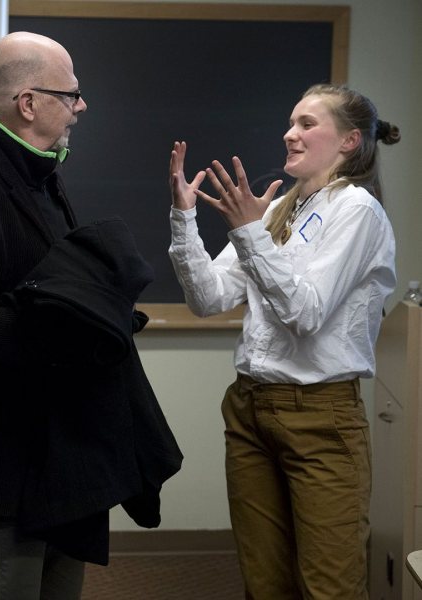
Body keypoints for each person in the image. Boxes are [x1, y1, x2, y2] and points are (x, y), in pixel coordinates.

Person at [0, 31, 182, 599]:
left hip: (65, 451)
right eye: (71, 94)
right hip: (5, 458)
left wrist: (99, 312)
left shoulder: (44, 179)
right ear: (28, 103)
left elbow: (60, 289)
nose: (81, 107)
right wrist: (76, 328)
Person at [168, 83, 400, 599]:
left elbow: (306, 313)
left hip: (320, 416)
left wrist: (249, 233)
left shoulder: (357, 211)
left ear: (349, 141)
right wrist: (185, 220)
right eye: (291, 122)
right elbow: (209, 299)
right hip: (250, 407)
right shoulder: (278, 210)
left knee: (328, 588)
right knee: (265, 582)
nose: (289, 133)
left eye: (306, 124)